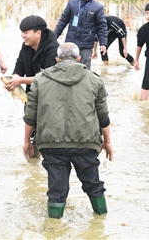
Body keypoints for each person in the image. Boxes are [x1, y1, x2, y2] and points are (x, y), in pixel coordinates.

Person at [23, 42, 113, 218]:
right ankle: (102, 224)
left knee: (56, 189)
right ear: (79, 59)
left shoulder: (40, 80)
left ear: (57, 60)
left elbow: (30, 116)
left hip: (51, 144)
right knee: (94, 185)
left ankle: (53, 229)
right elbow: (104, 117)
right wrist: (107, 142)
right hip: (86, 143)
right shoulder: (94, 80)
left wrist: (27, 142)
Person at [54, 0, 108, 69]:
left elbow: (102, 26)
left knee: (84, 70)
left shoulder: (97, 7)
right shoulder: (72, 2)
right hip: (70, 43)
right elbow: (63, 21)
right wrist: (54, 36)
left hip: (86, 44)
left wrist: (103, 43)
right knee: (67, 68)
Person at [4, 15, 59, 94]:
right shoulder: (26, 46)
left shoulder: (53, 49)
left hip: (50, 94)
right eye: (22, 32)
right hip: (31, 92)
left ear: (38, 33)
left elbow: (48, 78)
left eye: (26, 32)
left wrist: (21, 80)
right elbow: (19, 66)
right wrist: (13, 79)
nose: (22, 35)